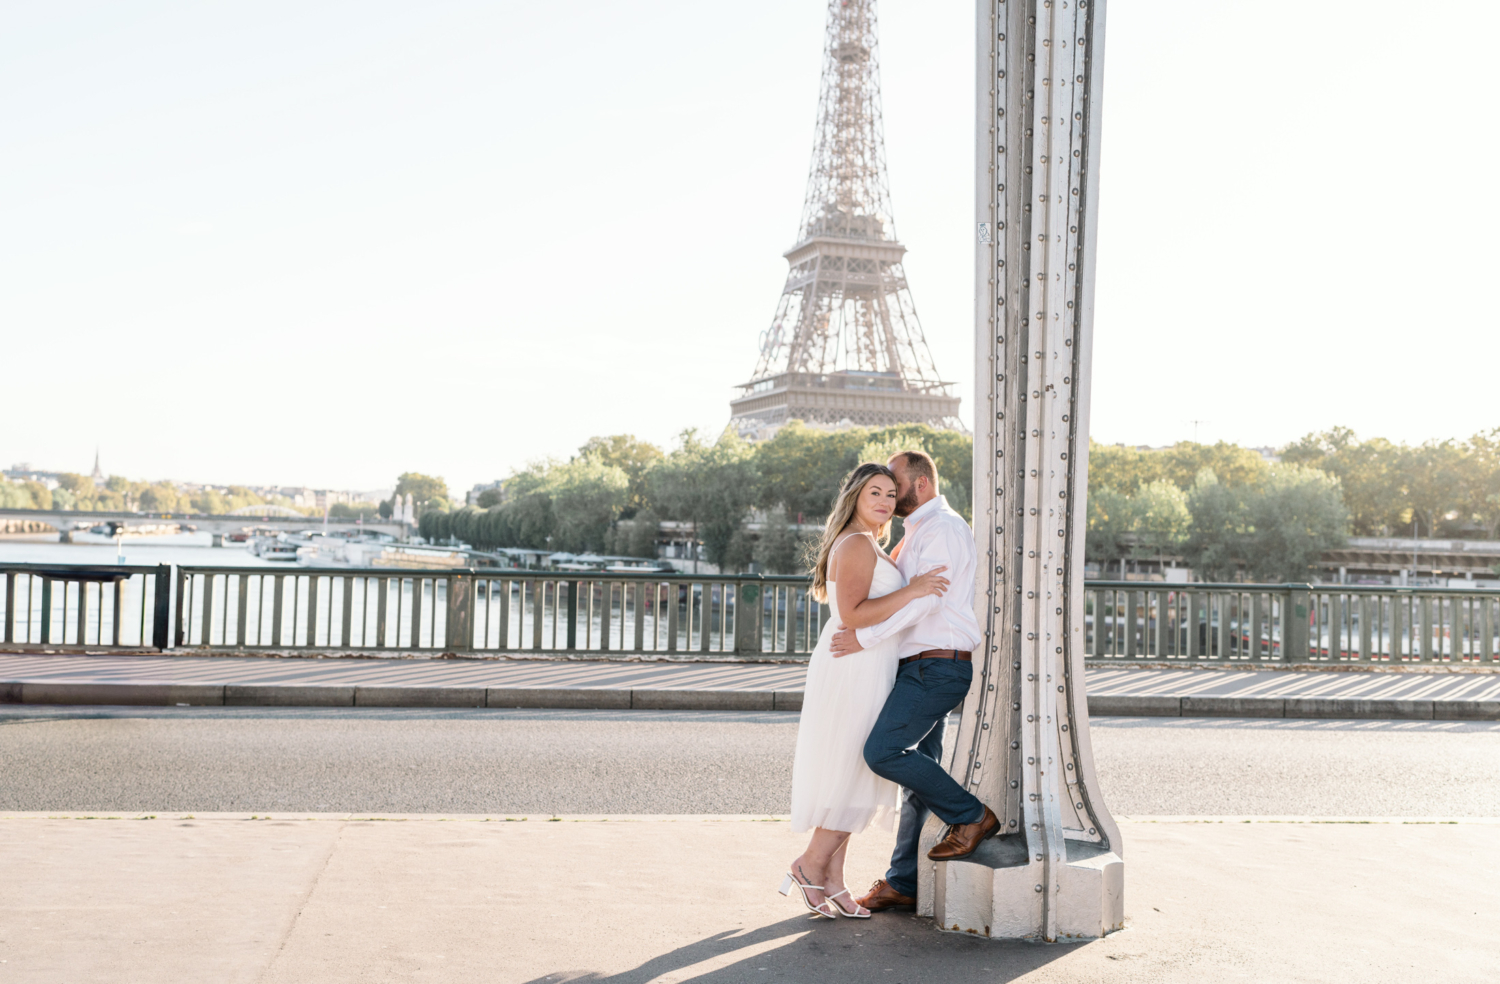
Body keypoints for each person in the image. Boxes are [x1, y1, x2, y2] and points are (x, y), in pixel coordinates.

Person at [829, 450, 998, 914]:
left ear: (919, 484)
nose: (887, 490)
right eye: (876, 488)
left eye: (893, 484)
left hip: (935, 665)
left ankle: (970, 816)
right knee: (917, 777)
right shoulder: (917, 531)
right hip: (920, 665)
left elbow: (927, 602)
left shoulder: (942, 528)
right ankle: (904, 880)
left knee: (881, 752)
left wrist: (867, 637)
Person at [780, 462, 951, 919]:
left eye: (891, 495)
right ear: (855, 495)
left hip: (868, 663)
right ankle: (809, 864)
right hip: (854, 664)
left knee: (853, 769)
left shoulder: (870, 543)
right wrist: (913, 589)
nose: (884, 501)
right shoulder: (855, 543)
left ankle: (833, 881)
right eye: (874, 492)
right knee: (856, 768)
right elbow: (854, 614)